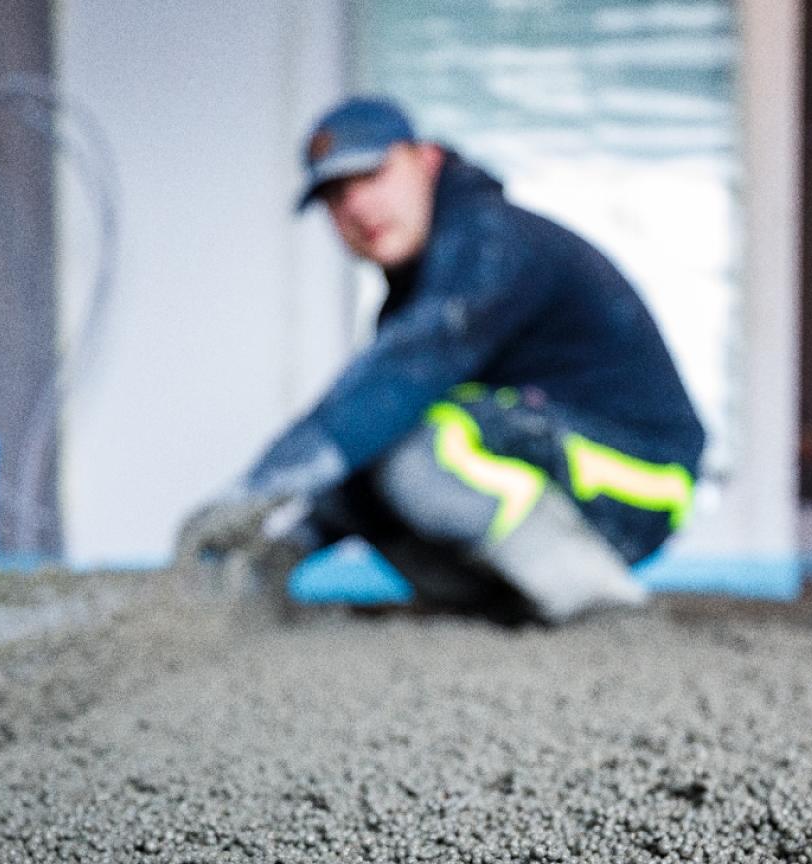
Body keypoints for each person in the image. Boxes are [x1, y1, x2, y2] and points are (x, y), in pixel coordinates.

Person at [179, 97, 706, 624]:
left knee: (420, 447)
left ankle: (597, 600)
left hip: (641, 477)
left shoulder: (491, 243)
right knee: (376, 450)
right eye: (336, 195)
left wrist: (254, 492)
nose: (357, 207)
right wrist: (275, 544)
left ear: (426, 160)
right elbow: (363, 435)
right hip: (557, 461)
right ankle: (498, 604)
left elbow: (387, 391)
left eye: (372, 176)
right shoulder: (418, 291)